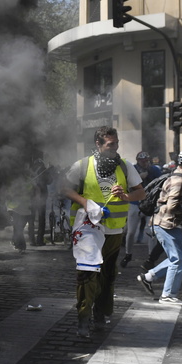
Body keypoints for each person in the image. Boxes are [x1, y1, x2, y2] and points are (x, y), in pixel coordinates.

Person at [61, 126, 145, 337]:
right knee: (87, 273)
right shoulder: (82, 165)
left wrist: (126, 196)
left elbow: (141, 193)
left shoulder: (125, 166)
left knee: (107, 275)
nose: (115, 147)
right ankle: (83, 317)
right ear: (98, 144)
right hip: (87, 229)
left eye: (116, 143)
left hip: (114, 232)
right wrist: (86, 203)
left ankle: (100, 314)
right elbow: (64, 188)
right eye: (110, 144)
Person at [136, 150, 182, 304]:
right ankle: (168, 296)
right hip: (164, 224)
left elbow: (178, 197)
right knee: (177, 259)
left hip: (170, 224)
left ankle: (148, 277)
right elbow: (172, 206)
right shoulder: (179, 180)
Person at [121, 151, 162, 268]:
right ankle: (128, 254)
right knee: (131, 232)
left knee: (150, 232)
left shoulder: (154, 170)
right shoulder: (132, 169)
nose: (144, 163)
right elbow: (126, 185)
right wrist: (139, 178)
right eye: (142, 161)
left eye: (146, 161)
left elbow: (160, 183)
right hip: (135, 203)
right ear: (138, 161)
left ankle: (150, 258)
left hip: (149, 204)